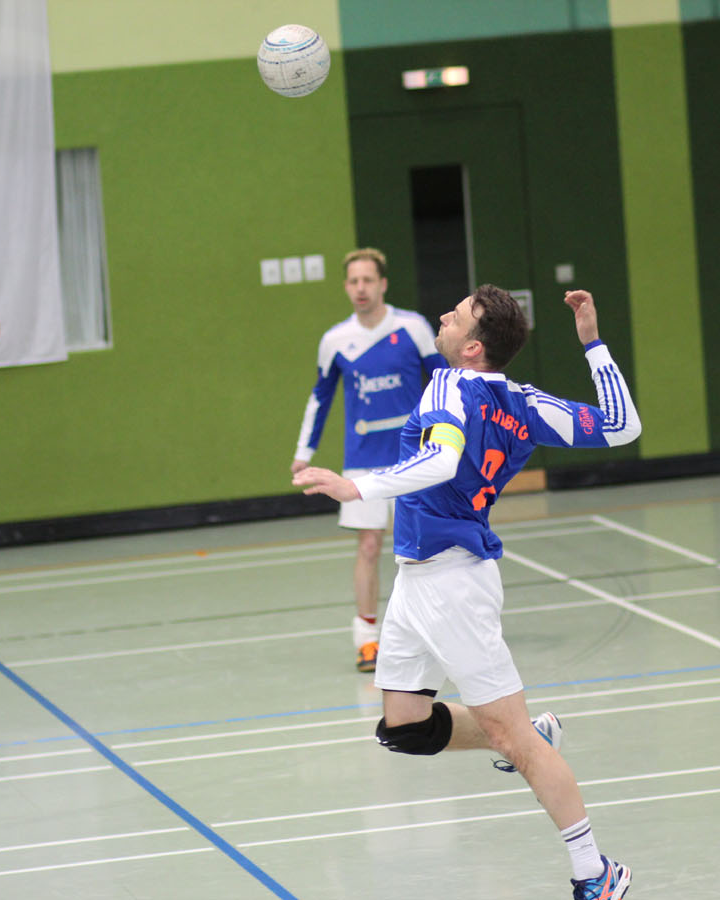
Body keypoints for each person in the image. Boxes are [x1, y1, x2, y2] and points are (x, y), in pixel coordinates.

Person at [292, 286, 640, 899]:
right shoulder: (524, 401)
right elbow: (620, 425)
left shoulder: (450, 384)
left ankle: (595, 871)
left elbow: (442, 461)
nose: (444, 317)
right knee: (403, 726)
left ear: (473, 347)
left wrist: (357, 487)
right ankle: (530, 732)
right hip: (418, 579)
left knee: (514, 741)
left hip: (453, 583)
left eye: (455, 317)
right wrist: (592, 344)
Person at [290, 248, 446, 672]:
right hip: (362, 461)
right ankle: (367, 640)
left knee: (423, 549)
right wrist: (304, 453)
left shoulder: (412, 327)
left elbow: (444, 381)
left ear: (383, 284)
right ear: (347, 287)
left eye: (368, 280)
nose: (361, 288)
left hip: (414, 458)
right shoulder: (335, 340)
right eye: (354, 281)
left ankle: (432, 632)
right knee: (370, 545)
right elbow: (320, 398)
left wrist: (450, 435)